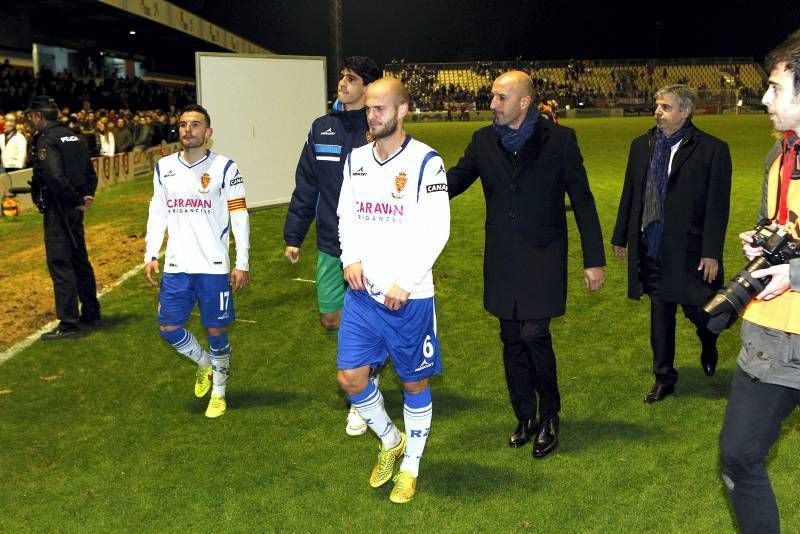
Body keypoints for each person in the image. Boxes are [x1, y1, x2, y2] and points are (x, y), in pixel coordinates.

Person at [447, 71, 605, 458]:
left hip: (544, 257)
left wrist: (594, 260)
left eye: (500, 98)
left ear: (524, 102)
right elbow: (453, 182)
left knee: (534, 334)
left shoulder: (561, 141)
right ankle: (525, 415)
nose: (492, 105)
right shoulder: (483, 141)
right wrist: (411, 187)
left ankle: (550, 416)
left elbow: (582, 201)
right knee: (511, 338)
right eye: (493, 97)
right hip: (502, 259)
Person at [336, 77, 449, 503]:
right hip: (363, 293)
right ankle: (390, 440)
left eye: (380, 108)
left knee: (413, 384)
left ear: (403, 111)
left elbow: (439, 230)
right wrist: (350, 258)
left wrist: (406, 282)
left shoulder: (426, 162)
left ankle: (411, 466)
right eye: (368, 109)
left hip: (409, 297)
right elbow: (346, 214)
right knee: (350, 377)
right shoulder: (356, 159)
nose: (372, 115)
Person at [719, 32, 800, 534]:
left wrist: (792, 272)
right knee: (739, 455)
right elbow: (781, 221)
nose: (764, 98)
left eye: (775, 87)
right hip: (773, 334)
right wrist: (764, 238)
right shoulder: (781, 153)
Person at [611, 84, 732, 403]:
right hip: (651, 245)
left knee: (701, 312)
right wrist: (621, 236)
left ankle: (708, 340)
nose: (657, 111)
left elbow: (717, 207)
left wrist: (711, 252)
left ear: (685, 111)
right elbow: (630, 193)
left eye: (665, 107)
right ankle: (664, 378)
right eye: (657, 106)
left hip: (690, 250)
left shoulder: (712, 149)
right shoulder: (642, 145)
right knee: (660, 313)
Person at [283, 56, 381, 436]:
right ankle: (369, 362)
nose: (342, 83)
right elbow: (306, 183)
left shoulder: (378, 128)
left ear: (367, 86)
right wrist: (294, 235)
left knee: (363, 316)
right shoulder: (322, 128)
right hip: (328, 242)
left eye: (351, 78)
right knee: (331, 318)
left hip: (371, 246)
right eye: (342, 76)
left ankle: (360, 391)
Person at [143, 104, 250, 419]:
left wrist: (241, 261)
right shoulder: (164, 167)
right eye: (183, 124)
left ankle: (219, 392)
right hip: (177, 265)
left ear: (209, 133)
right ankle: (206, 366)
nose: (188, 129)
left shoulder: (226, 169)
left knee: (215, 330)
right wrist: (150, 253)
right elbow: (158, 211)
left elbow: (239, 216)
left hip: (213, 266)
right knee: (168, 326)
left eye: (195, 124)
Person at [27, 95, 101, 340]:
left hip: (60, 209)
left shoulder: (47, 140)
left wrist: (77, 200)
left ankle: (68, 323)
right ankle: (91, 311)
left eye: (31, 116)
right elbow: (91, 173)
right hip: (74, 208)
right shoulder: (74, 136)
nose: (30, 121)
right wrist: (85, 197)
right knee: (79, 259)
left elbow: (55, 178)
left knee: (61, 264)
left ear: (38, 115)